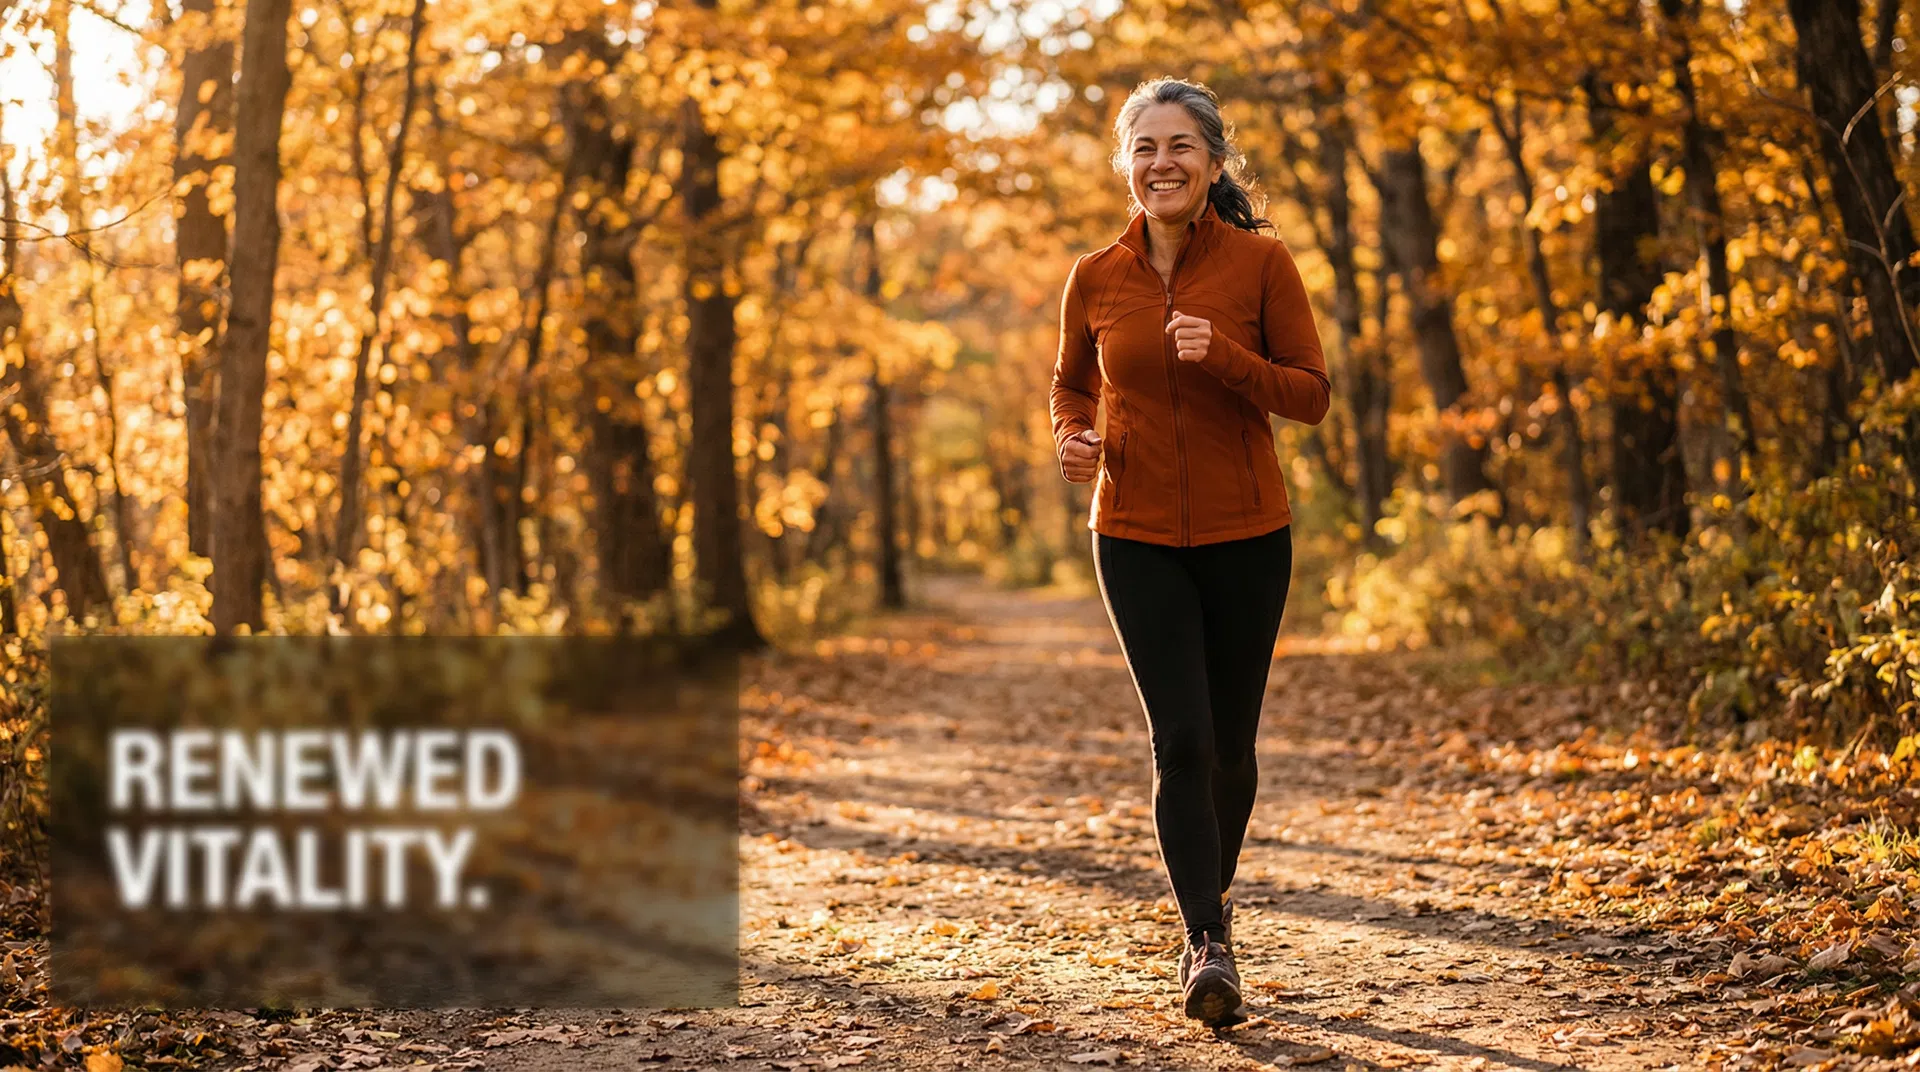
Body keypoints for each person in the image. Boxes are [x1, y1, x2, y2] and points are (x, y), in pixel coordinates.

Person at [1048, 77, 1332, 1025]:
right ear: (1125, 166)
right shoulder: (1094, 275)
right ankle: (1206, 941)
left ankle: (1209, 901)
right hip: (1130, 535)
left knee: (1233, 751)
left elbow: (1310, 394)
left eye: (1179, 148)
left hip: (1249, 536)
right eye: (1144, 149)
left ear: (1214, 163)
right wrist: (1073, 438)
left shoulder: (1262, 265)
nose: (1160, 164)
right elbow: (1069, 387)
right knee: (1183, 740)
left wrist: (1229, 361)